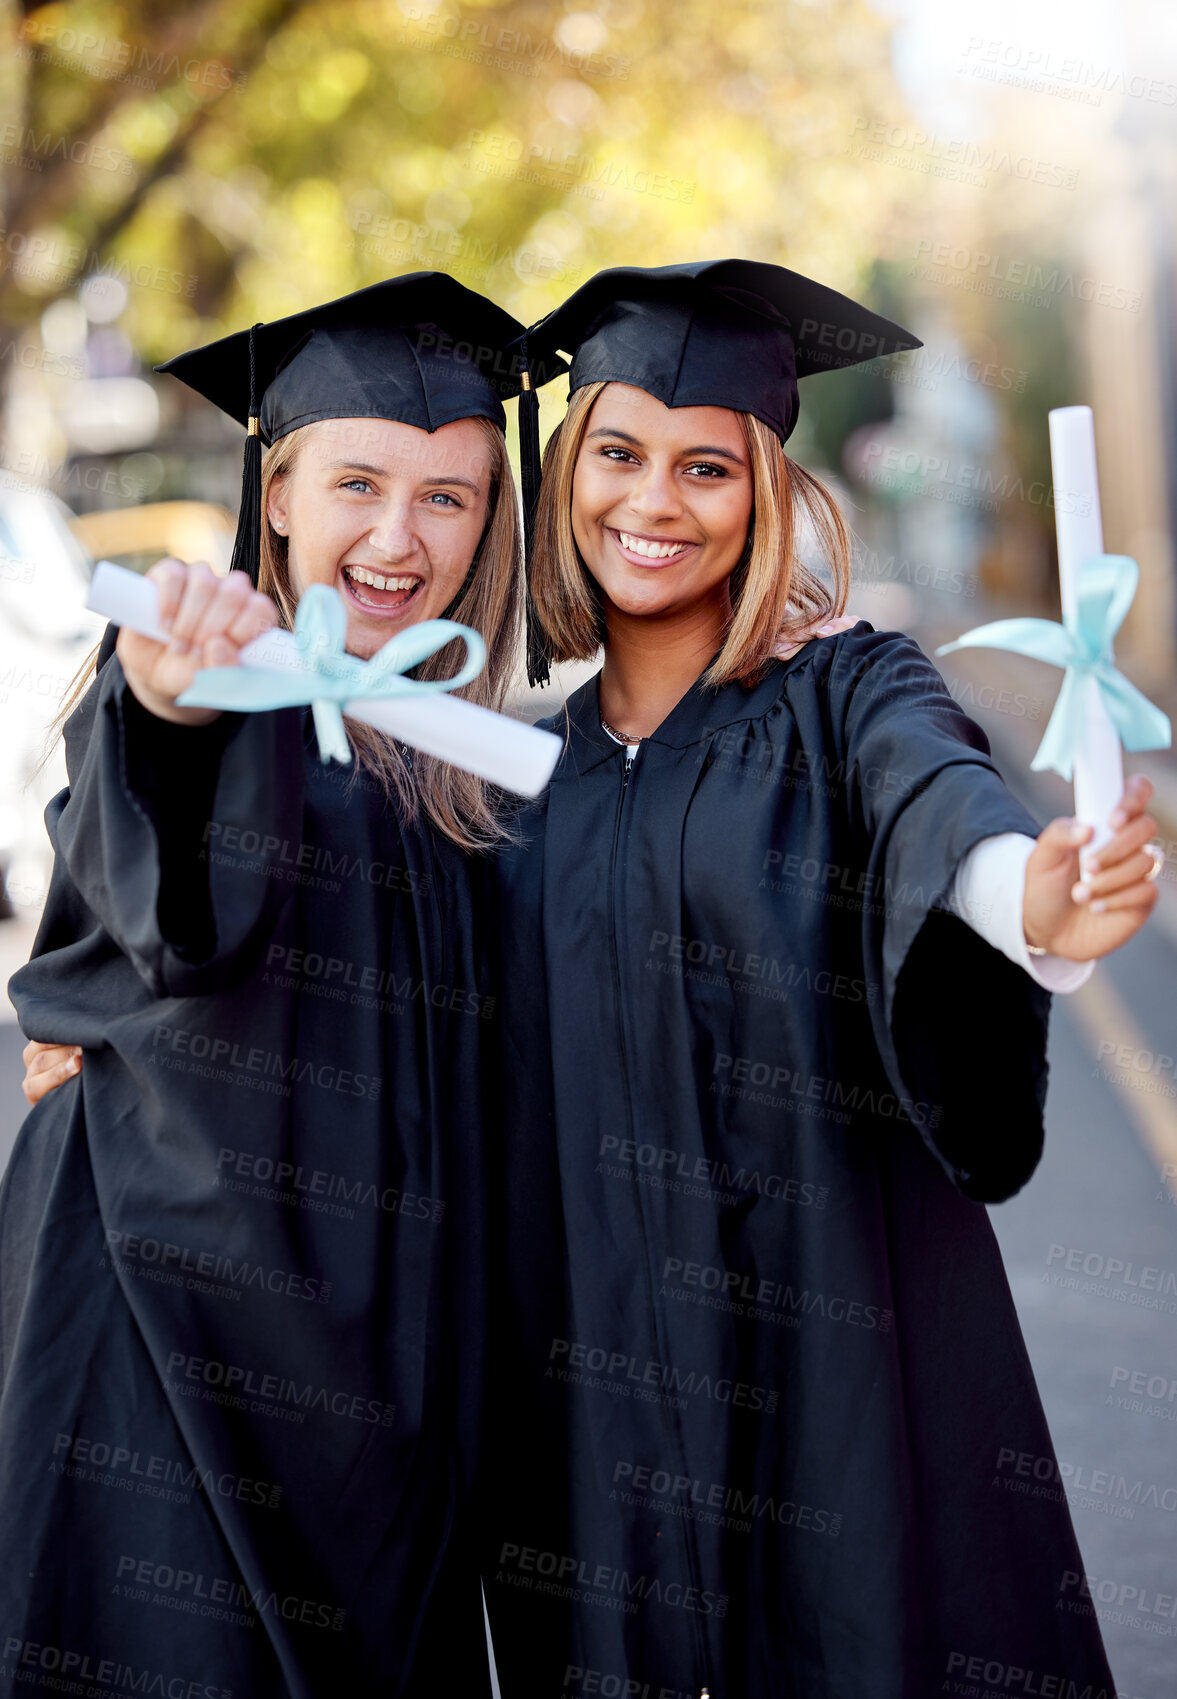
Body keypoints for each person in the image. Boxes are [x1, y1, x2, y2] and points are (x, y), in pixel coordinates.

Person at [478, 262, 1160, 1698]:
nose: (652, 502)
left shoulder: (846, 692)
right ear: (563, 471)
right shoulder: (522, 789)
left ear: (767, 489)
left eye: (705, 466)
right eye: (616, 454)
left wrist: (1023, 893)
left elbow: (935, 802)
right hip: (598, 1402)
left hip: (841, 1351)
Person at [0, 272, 531, 1698]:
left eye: (449, 497)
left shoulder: (483, 764)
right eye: (357, 483)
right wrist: (175, 707)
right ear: (276, 492)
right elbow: (157, 909)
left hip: (392, 1371)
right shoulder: (203, 680)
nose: (397, 536)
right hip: (161, 1334)